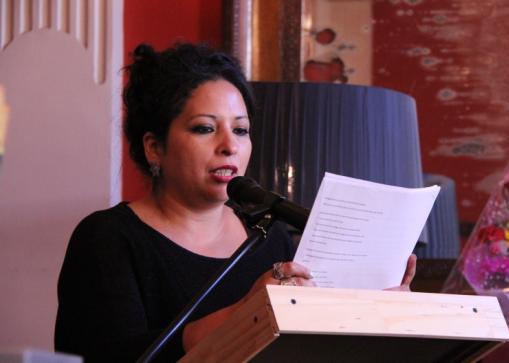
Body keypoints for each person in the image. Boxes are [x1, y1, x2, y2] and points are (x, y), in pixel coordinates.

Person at [54, 43, 416, 362]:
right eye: (205, 128)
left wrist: (377, 310)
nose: (230, 145)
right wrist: (247, 315)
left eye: (240, 130)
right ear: (154, 147)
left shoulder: (272, 240)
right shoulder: (108, 238)